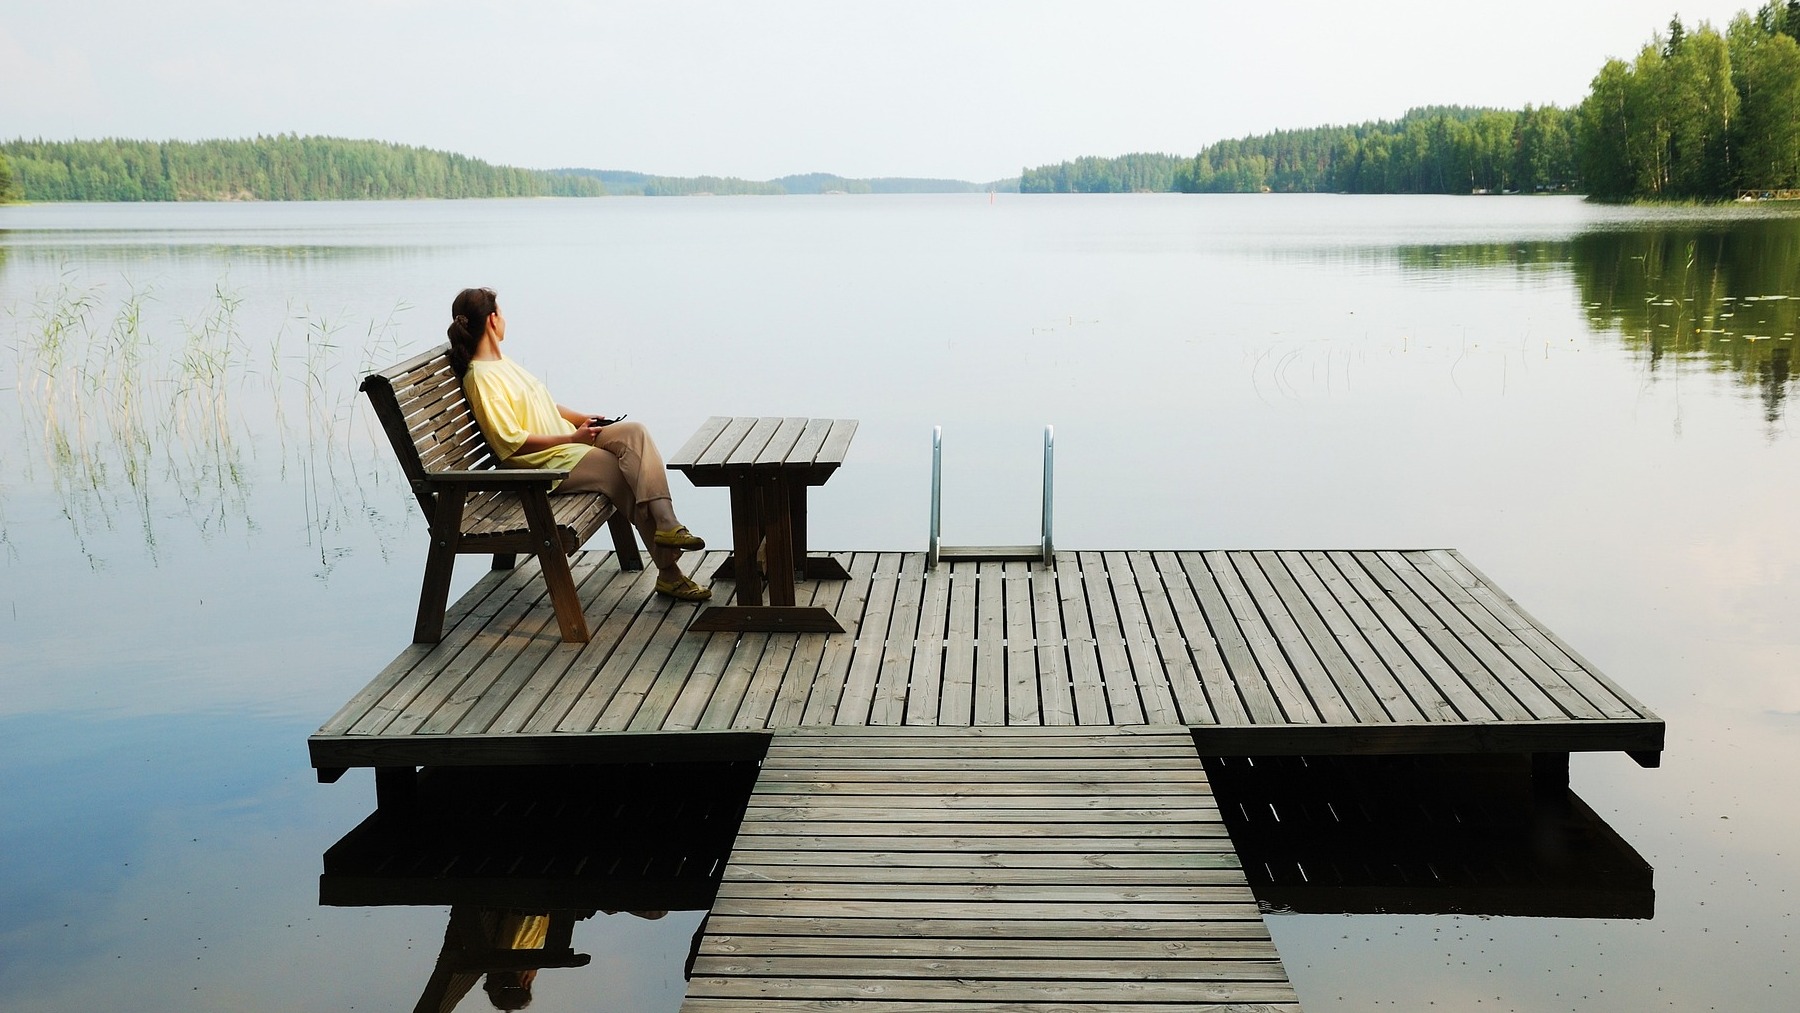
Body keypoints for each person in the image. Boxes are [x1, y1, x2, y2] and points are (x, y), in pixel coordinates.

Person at [445, 287, 710, 601]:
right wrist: (572, 438)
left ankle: (667, 521)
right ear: (492, 320)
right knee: (620, 471)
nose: (505, 319)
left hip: (570, 445)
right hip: (545, 464)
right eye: (502, 313)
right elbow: (511, 444)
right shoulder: (481, 378)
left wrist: (580, 419)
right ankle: (670, 573)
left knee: (635, 433)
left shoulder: (504, 364)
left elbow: (546, 404)